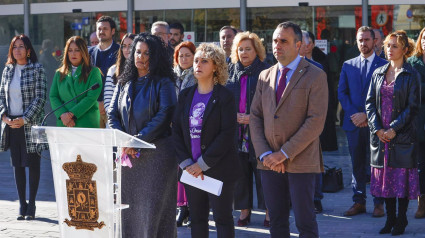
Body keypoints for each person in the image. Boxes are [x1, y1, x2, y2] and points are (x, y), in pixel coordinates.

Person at [250, 22, 328, 238]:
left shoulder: (315, 75)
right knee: (276, 220)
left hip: (301, 161)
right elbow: (255, 116)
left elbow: (316, 121)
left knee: (305, 221)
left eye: (283, 41)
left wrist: (284, 153)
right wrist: (266, 154)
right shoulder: (265, 76)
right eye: (275, 41)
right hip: (268, 164)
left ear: (299, 45)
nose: (277, 45)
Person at [108, 33, 177, 237]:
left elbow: (165, 114)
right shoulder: (124, 81)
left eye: (147, 53)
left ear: (155, 56)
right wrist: (123, 140)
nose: (141, 56)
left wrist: (136, 140)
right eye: (138, 51)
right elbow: (112, 114)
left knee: (152, 210)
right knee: (130, 208)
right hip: (128, 156)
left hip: (157, 155)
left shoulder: (164, 82)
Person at [172, 43, 239, 237]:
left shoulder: (225, 96)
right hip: (191, 170)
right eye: (196, 61)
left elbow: (227, 134)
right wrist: (186, 163)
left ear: (216, 66)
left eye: (204, 61)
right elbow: (176, 130)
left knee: (223, 219)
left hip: (219, 169)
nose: (197, 65)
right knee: (198, 220)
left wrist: (202, 164)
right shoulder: (185, 95)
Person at [366, 30, 420, 235]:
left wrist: (393, 129)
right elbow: (369, 103)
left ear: (405, 50)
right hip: (381, 136)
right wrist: (378, 128)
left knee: (401, 181)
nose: (389, 49)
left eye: (394, 46)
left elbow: (413, 107)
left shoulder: (411, 74)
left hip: (402, 135)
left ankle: (402, 219)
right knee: (385, 181)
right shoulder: (378, 72)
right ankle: (390, 219)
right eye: (388, 45)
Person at [338, 26, 387, 217]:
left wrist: (367, 116)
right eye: (360, 40)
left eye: (367, 40)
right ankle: (358, 201)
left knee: (377, 164)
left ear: (374, 41)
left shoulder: (384, 65)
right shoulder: (348, 65)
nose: (363, 43)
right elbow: (342, 93)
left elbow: (385, 95)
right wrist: (355, 115)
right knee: (356, 163)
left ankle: (378, 202)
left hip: (376, 124)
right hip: (353, 123)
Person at [0, 34, 48, 220]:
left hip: (31, 124)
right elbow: (1, 97)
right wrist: (3, 115)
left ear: (28, 50)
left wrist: (25, 118)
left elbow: (40, 98)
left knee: (33, 164)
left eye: (21, 46)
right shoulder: (8, 70)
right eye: (14, 47)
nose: (17, 50)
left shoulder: (37, 68)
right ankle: (22, 204)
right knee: (17, 165)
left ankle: (32, 205)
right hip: (11, 124)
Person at [226, 31, 270, 227]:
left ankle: (270, 212)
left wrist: (253, 118)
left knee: (264, 175)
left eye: (248, 49)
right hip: (237, 134)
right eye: (240, 49)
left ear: (257, 51)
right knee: (240, 175)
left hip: (261, 133)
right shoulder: (230, 72)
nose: (243, 53)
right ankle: (245, 211)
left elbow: (274, 106)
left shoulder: (266, 72)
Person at [50, 36, 102, 128]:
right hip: (64, 124)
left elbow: (91, 98)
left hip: (86, 124)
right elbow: (53, 96)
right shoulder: (59, 73)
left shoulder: (94, 72)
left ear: (83, 52)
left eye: (77, 50)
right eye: (70, 50)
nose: (73, 53)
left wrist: (71, 114)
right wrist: (63, 115)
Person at [173, 41, 197, 226]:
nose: (184, 58)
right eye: (180, 55)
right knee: (179, 169)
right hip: (174, 128)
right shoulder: (171, 77)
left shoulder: (198, 75)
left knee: (192, 167)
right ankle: (182, 208)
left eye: (187, 55)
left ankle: (193, 208)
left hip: (193, 128)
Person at [88, 16, 120, 128]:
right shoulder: (88, 53)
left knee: (111, 145)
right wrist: (96, 103)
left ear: (113, 31)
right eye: (99, 29)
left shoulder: (121, 52)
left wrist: (104, 103)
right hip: (91, 108)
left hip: (113, 110)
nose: (101, 32)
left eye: (105, 29)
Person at [407, 27, 425, 219]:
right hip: (418, 120)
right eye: (424, 38)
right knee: (420, 164)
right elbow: (412, 90)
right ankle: (422, 202)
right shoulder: (413, 63)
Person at [104, 33, 136, 113]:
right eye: (124, 46)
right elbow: (108, 101)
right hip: (115, 120)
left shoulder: (142, 70)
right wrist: (115, 118)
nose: (126, 49)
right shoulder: (113, 70)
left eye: (130, 46)